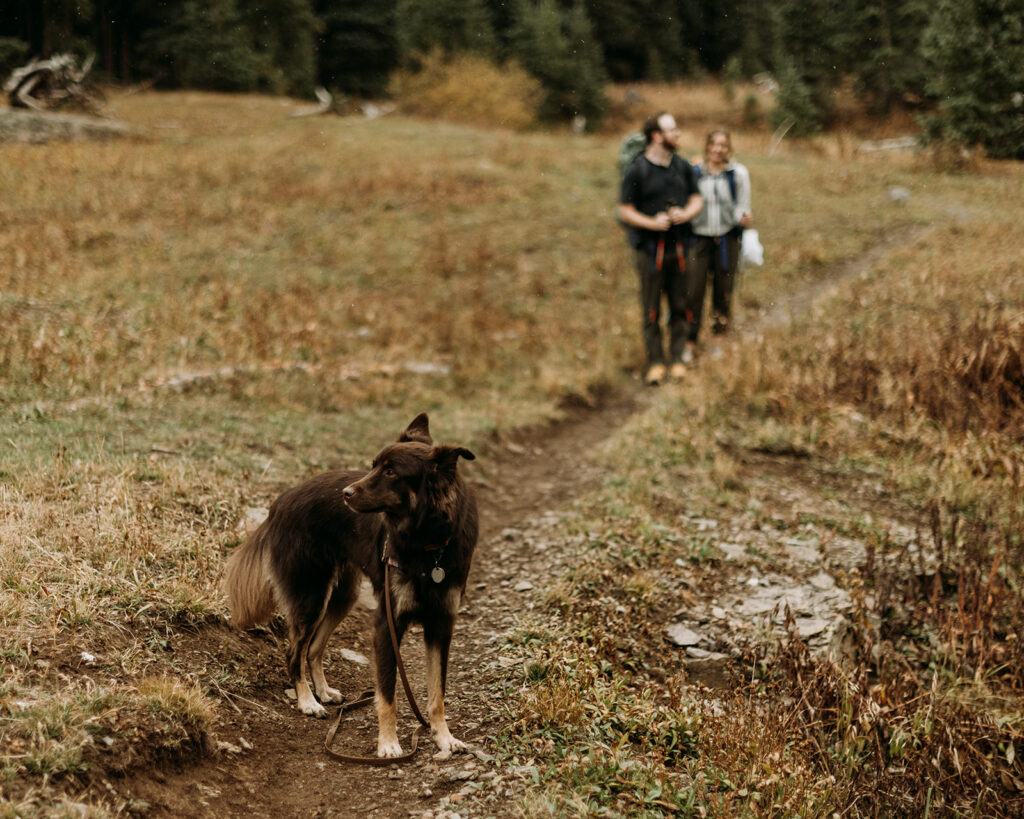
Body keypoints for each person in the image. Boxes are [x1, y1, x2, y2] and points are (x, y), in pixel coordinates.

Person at [618, 112, 703, 385]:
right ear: (656, 135)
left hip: (680, 247)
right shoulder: (637, 169)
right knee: (651, 307)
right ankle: (655, 362)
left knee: (680, 303)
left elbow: (696, 199)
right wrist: (652, 223)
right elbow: (624, 210)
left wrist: (685, 214)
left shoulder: (682, 166)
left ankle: (677, 360)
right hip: (648, 250)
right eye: (672, 130)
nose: (677, 134)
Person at [690, 129, 753, 343]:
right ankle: (691, 339)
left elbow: (742, 205)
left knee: (723, 290)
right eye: (714, 144)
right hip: (698, 239)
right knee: (694, 291)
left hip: (727, 240)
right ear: (707, 147)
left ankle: (720, 337)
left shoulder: (738, 174)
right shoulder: (695, 173)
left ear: (729, 148)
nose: (718, 149)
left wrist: (742, 217)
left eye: (723, 145)